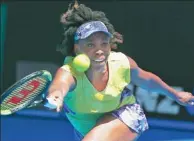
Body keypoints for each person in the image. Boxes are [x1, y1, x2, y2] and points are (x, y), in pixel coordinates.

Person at [47, 2, 194, 141]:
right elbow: (60, 85)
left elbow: (146, 79)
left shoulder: (121, 63)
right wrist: (56, 97)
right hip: (86, 130)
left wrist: (175, 95)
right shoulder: (70, 72)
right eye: (90, 44)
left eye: (104, 43)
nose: (99, 51)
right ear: (77, 48)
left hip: (126, 115)